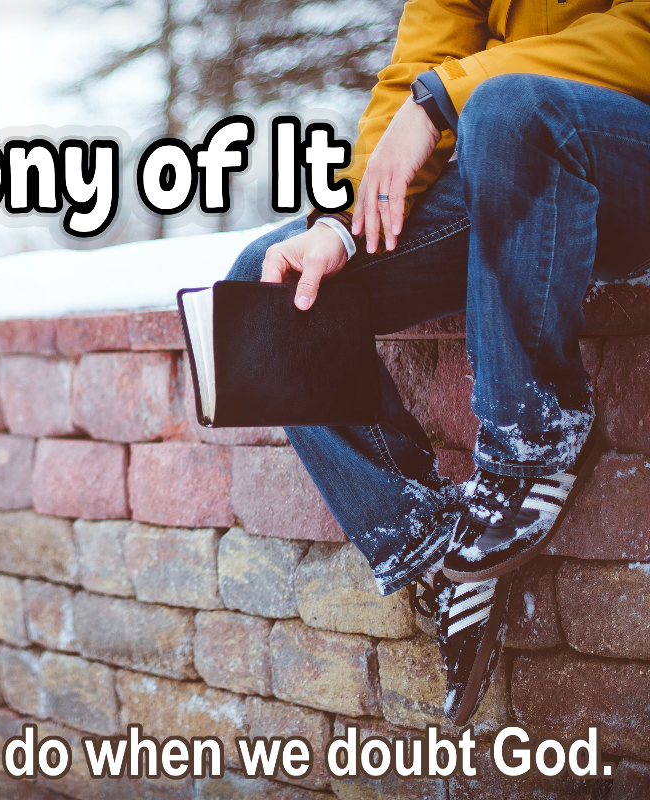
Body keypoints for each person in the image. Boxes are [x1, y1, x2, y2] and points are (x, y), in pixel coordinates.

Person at [226, 0, 650, 724]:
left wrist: (447, 97)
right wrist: (342, 226)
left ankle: (532, 438)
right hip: (513, 166)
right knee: (265, 288)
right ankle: (435, 545)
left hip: (613, 147)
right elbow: (415, 70)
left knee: (506, 108)